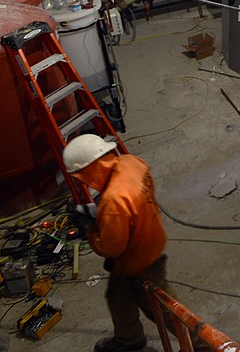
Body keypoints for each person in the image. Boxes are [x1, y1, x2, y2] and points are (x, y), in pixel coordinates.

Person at [63, 134, 171, 352]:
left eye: (81, 176)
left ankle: (204, 347)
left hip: (139, 261)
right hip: (149, 238)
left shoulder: (114, 200)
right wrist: (102, 214)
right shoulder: (131, 162)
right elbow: (133, 205)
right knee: (118, 297)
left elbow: (110, 248)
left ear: (92, 167)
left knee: (166, 312)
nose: (81, 181)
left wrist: (90, 228)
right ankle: (129, 341)